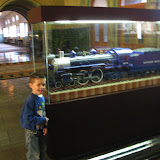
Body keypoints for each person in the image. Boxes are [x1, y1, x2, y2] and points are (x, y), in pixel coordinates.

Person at [20, 72, 49, 160]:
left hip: (40, 130)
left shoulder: (42, 97)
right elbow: (27, 119)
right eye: (38, 85)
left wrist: (45, 126)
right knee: (34, 155)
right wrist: (43, 120)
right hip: (32, 133)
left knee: (42, 150)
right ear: (31, 85)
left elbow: (43, 112)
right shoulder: (30, 100)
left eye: (43, 84)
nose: (42, 87)